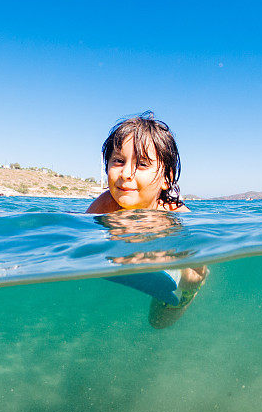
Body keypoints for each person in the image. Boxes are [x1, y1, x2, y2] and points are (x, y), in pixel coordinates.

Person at [87, 112, 208, 328]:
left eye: (142, 164)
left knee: (160, 321)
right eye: (118, 161)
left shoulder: (175, 214)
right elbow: (84, 236)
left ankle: (181, 292)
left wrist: (170, 262)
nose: (126, 173)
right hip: (130, 254)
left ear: (166, 179)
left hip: (172, 260)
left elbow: (197, 266)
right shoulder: (105, 204)